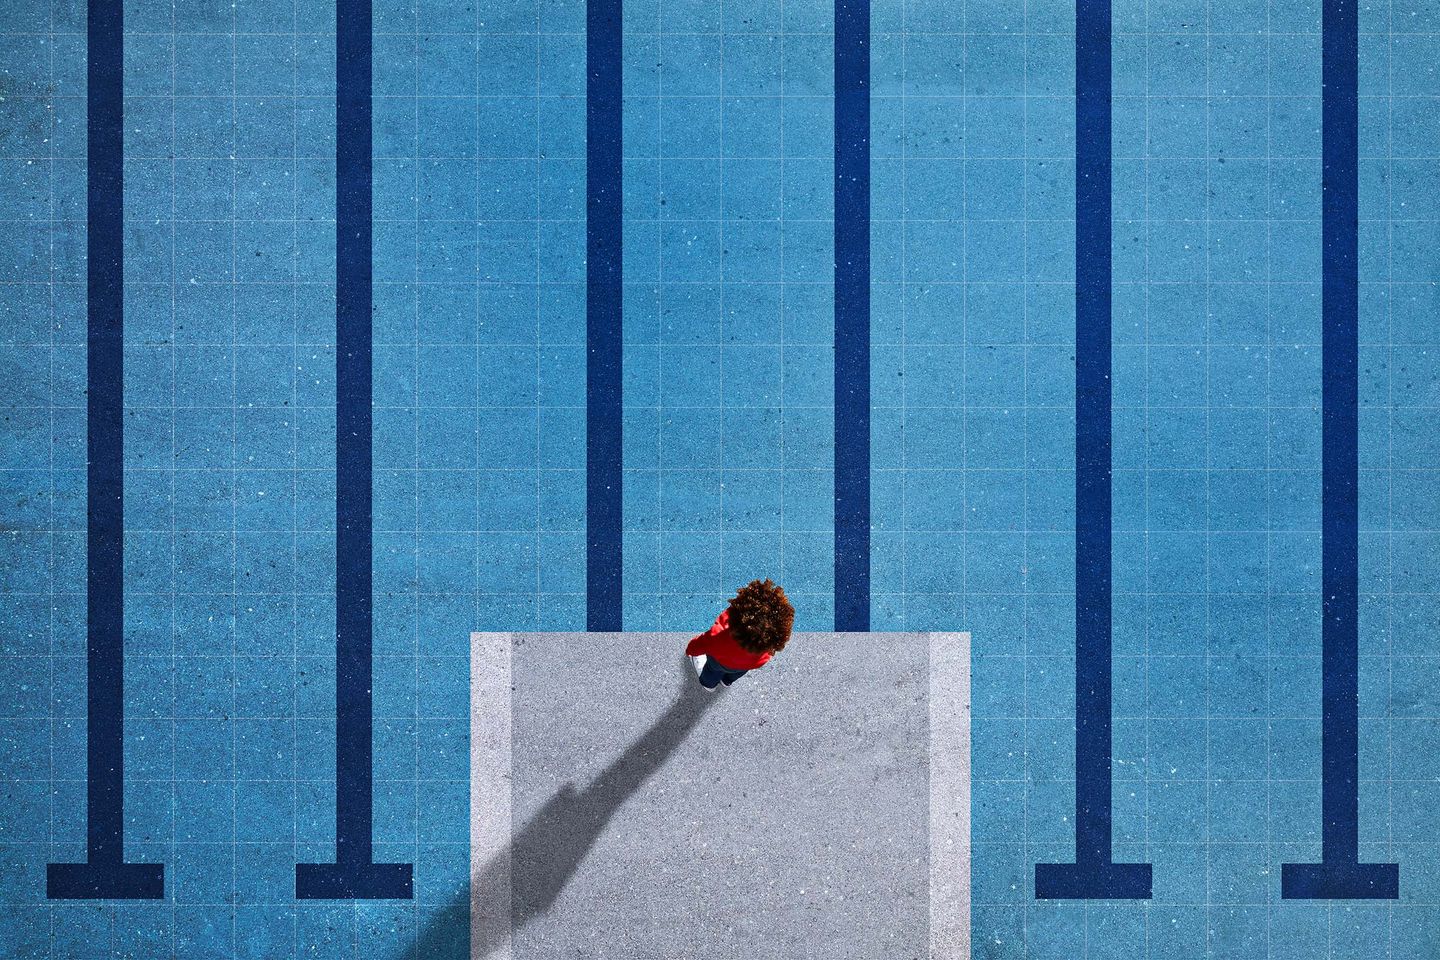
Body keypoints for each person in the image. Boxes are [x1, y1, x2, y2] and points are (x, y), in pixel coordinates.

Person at [685, 578, 794, 691]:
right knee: (735, 673)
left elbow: (697, 646)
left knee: (712, 672)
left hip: (719, 662)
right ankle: (726, 681)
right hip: (744, 666)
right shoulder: (766, 649)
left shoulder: (718, 636)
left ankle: (709, 684)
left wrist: (690, 650)